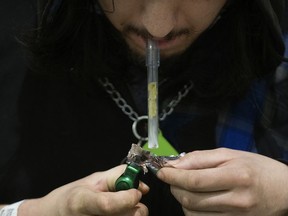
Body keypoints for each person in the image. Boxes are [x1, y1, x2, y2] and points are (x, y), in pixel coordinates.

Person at [0, 0, 288, 215]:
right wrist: (36, 211)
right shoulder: (17, 33)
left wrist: (282, 193)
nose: (157, 27)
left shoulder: (277, 62)